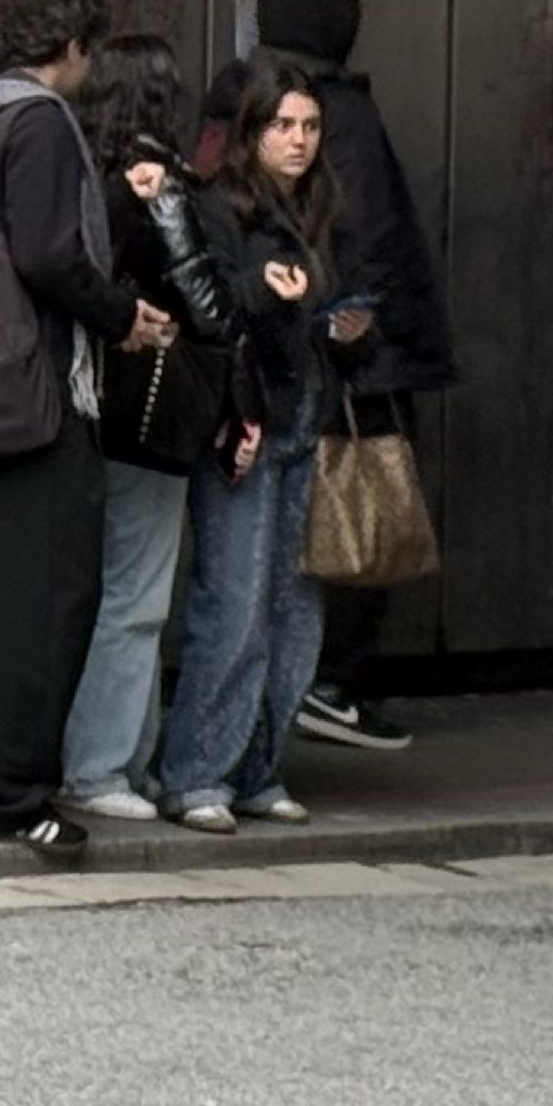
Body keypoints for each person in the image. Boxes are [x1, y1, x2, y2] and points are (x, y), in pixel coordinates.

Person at [0, 0, 157, 850]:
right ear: (73, 48)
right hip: (34, 402)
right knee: (47, 603)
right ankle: (14, 796)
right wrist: (124, 315)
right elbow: (52, 255)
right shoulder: (41, 123)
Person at [155, 57, 358, 832]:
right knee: (234, 604)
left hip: (307, 414)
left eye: (309, 127)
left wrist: (345, 331)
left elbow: (336, 322)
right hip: (246, 421)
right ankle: (197, 775)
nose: (299, 141)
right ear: (251, 133)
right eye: (282, 126)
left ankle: (257, 771)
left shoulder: (321, 210)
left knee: (294, 611)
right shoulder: (220, 208)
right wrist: (267, 300)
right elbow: (212, 317)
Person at [250, 0, 445, 753]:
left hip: (273, 349)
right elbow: (367, 237)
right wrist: (367, 329)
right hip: (354, 355)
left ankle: (288, 688)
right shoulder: (344, 115)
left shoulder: (245, 97)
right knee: (358, 511)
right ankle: (326, 683)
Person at [61, 33, 203, 823]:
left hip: (93, 407)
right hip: (150, 407)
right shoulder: (151, 185)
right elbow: (196, 296)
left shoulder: (82, 168)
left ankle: (120, 758)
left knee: (112, 587)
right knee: (137, 593)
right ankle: (102, 766)